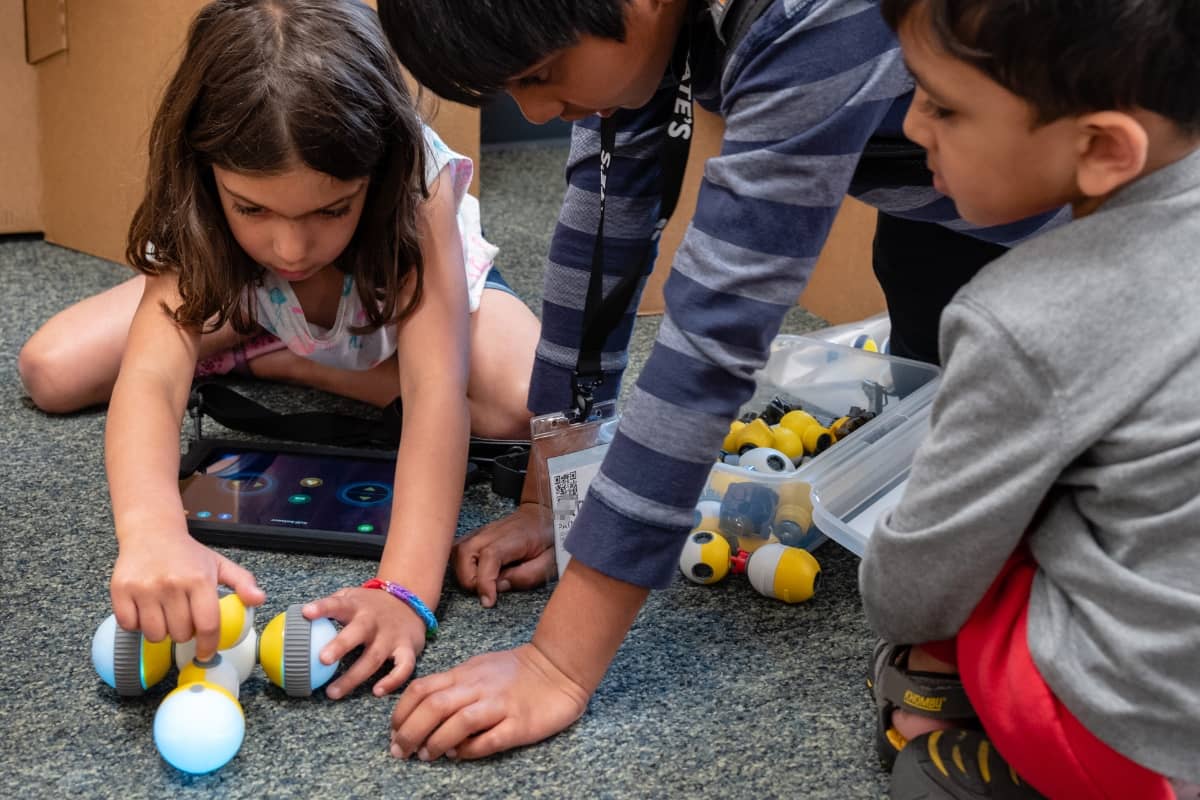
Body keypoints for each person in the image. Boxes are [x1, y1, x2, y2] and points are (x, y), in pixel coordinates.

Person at [378, 0, 1066, 761]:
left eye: (541, 76)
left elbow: (712, 341)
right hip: (936, 201)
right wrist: (553, 492)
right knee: (933, 397)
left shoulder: (808, 22)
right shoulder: (644, 34)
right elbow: (602, 223)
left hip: (1084, 207)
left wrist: (557, 663)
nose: (540, 109)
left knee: (1037, 453)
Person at [17, 0, 539, 696]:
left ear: (374, 179)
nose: (291, 247)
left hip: (388, 301)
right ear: (207, 176)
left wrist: (406, 589)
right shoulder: (201, 187)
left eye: (330, 209)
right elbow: (149, 379)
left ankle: (284, 353)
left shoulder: (417, 188)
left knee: (520, 403)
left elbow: (437, 396)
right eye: (252, 208)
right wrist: (151, 532)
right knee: (50, 369)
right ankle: (281, 333)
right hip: (249, 295)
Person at [854, 1, 1200, 797]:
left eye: (943, 103)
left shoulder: (1020, 316)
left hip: (1144, 749)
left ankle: (948, 733)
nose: (911, 127)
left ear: (1103, 147)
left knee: (976, 547)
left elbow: (911, 591)